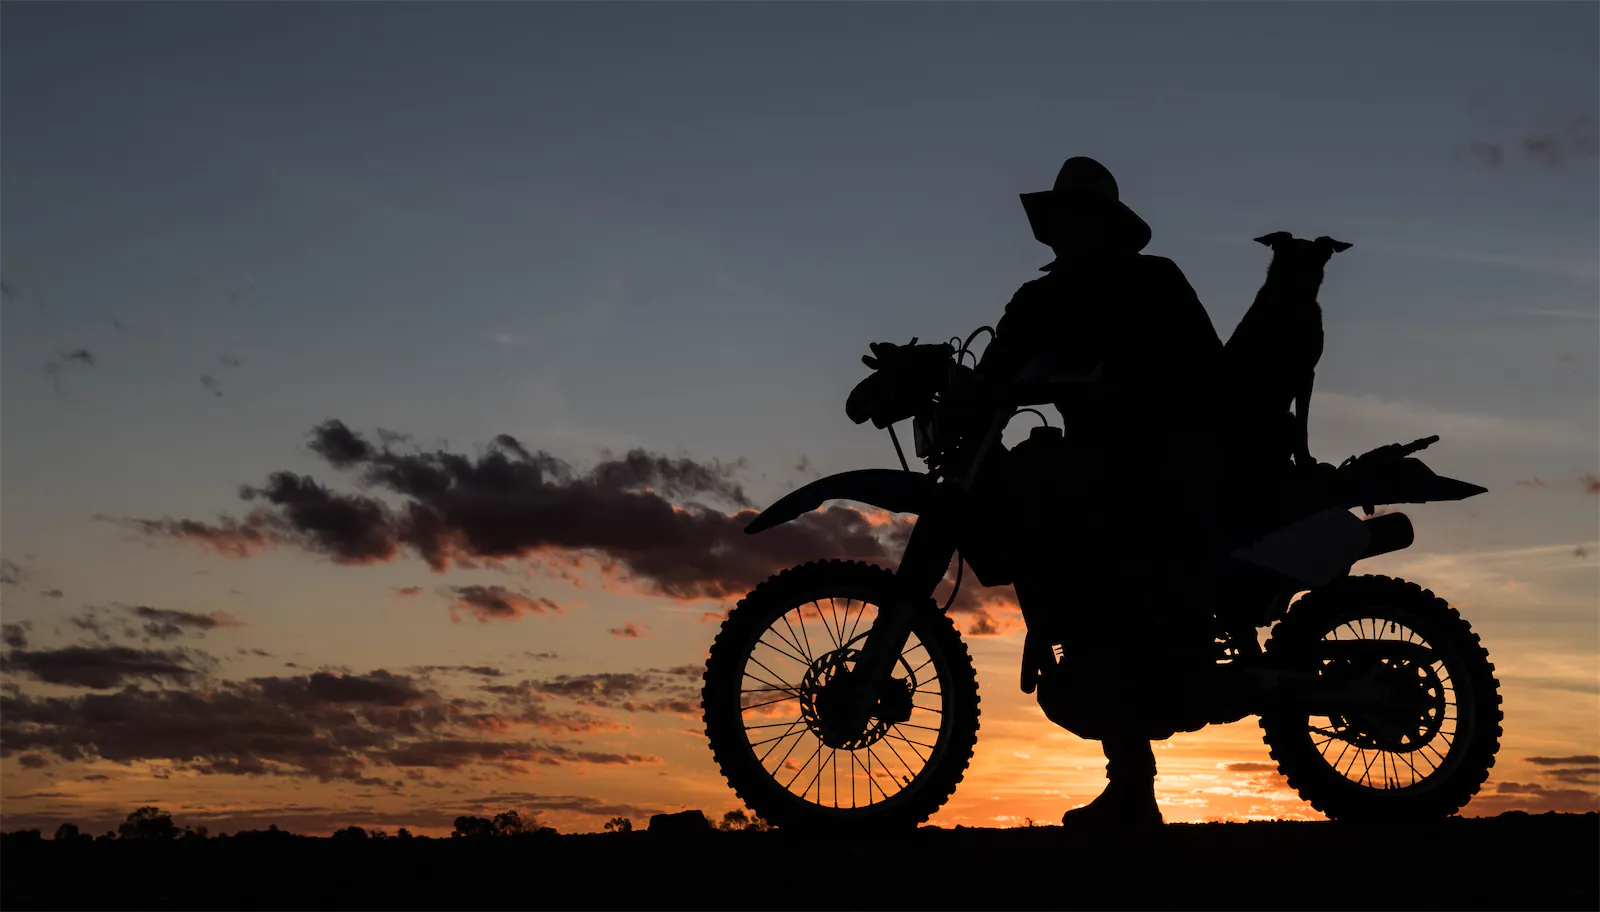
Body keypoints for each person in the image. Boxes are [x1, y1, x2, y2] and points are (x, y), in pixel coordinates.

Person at [975, 156, 1228, 827]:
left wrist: (1130, 381)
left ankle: (1133, 777)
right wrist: (926, 380)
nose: (1070, 229)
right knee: (1065, 554)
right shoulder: (1040, 299)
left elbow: (1210, 366)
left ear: (1105, 223)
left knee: (1107, 579)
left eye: (1082, 215)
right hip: (1093, 460)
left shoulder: (1154, 280)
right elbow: (996, 366)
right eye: (1063, 218)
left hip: (1168, 459)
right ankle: (1131, 783)